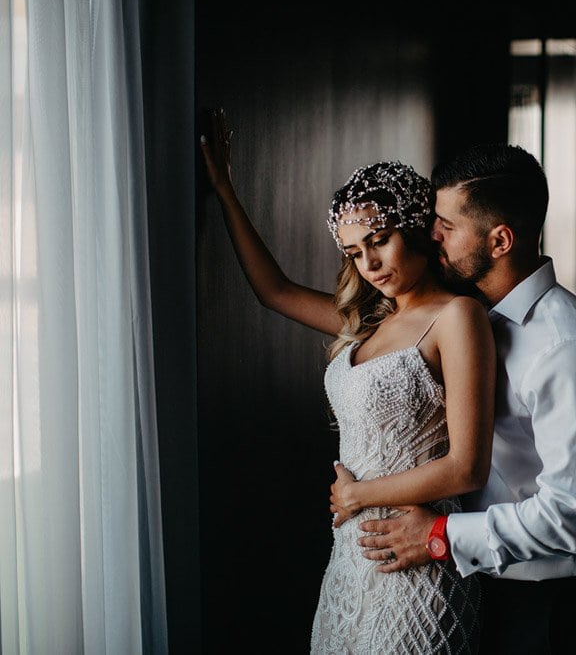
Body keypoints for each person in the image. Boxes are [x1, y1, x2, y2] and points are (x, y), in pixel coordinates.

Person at [199, 108, 496, 654]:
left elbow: (466, 467)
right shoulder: (370, 323)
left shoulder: (456, 317)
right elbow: (277, 292)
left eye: (380, 240)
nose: (370, 263)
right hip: (350, 559)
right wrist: (224, 191)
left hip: (416, 556)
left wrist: (358, 493)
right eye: (354, 253)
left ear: (415, 228)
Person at [351, 143, 576, 653]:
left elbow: (573, 515)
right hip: (480, 591)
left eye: (447, 226)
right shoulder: (468, 319)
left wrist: (438, 534)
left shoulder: (570, 350)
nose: (430, 235)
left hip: (551, 611)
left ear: (500, 239)